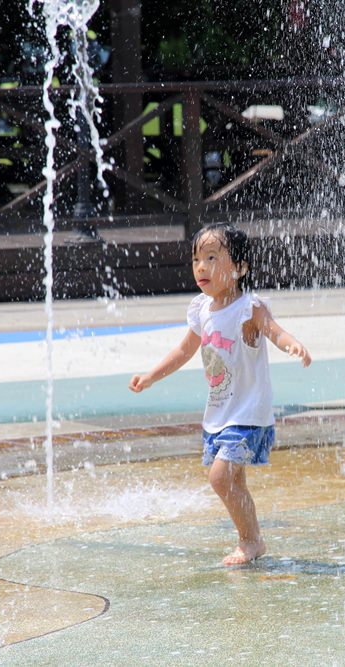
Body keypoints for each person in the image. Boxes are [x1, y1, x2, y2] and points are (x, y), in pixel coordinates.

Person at [129, 222, 312, 565]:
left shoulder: (248, 308)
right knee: (233, 481)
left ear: (240, 268)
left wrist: (294, 345)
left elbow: (275, 331)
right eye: (197, 258)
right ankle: (252, 540)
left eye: (212, 257)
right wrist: (151, 376)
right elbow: (183, 351)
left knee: (220, 476)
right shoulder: (201, 309)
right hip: (219, 413)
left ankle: (250, 540)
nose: (201, 266)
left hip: (247, 412)